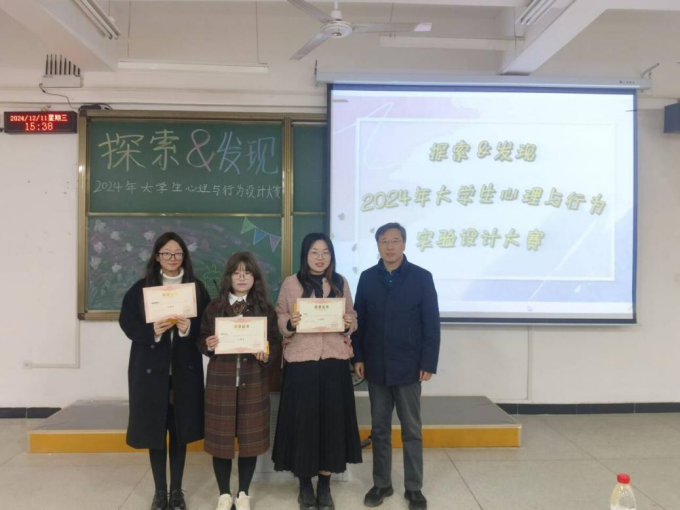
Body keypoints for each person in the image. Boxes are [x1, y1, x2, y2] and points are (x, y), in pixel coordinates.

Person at [119, 232, 211, 510]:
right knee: (155, 432)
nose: (172, 258)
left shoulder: (196, 289)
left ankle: (177, 491)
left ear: (184, 256)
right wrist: (153, 332)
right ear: (157, 256)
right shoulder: (142, 288)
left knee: (179, 432)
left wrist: (188, 328)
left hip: (184, 373)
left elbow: (207, 326)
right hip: (150, 374)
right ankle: (160, 491)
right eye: (167, 253)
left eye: (178, 253)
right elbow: (126, 322)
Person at [352, 223, 440, 510]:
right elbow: (359, 321)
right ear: (377, 245)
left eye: (395, 240)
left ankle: (414, 488)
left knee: (411, 429)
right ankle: (382, 484)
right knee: (379, 429)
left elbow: (431, 324)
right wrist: (358, 357)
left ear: (404, 244)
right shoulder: (367, 278)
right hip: (376, 367)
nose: (389, 246)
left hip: (410, 367)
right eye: (384, 241)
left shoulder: (421, 277)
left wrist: (428, 362)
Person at [273, 233, 362, 510]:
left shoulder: (340, 282)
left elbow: (352, 316)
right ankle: (304, 485)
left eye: (325, 252)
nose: (320, 257)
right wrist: (290, 322)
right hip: (302, 362)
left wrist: (348, 323)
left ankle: (325, 486)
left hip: (334, 362)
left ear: (331, 256)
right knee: (304, 425)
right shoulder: (291, 283)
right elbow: (279, 315)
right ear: (305, 255)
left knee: (331, 425)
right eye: (314, 252)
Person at [197, 252, 282, 510]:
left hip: (253, 383)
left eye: (247, 272)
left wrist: (266, 352)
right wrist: (208, 344)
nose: (242, 277)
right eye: (236, 272)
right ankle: (224, 494)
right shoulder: (214, 308)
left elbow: (275, 342)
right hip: (220, 384)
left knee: (249, 442)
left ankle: (243, 493)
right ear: (229, 277)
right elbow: (201, 339)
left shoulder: (264, 309)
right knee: (220, 443)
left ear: (255, 277)